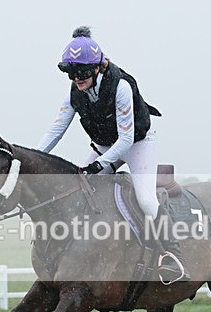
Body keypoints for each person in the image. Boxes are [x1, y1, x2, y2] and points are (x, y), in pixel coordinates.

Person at [37, 26, 188, 284]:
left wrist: (100, 165)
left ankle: (174, 256)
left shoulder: (120, 87)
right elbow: (56, 130)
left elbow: (127, 139)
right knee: (76, 189)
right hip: (105, 146)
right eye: (72, 73)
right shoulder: (74, 94)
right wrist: (33, 158)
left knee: (147, 201)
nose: (77, 78)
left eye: (82, 72)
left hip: (138, 144)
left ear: (96, 68)